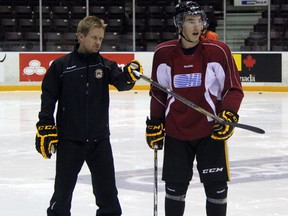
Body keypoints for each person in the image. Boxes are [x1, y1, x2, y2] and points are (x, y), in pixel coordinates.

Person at [35, 16, 143, 216]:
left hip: (99, 141)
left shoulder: (105, 65)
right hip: (69, 141)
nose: (98, 42)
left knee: (108, 197)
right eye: (93, 37)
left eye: (101, 38)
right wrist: (45, 125)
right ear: (80, 36)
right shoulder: (61, 66)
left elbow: (122, 83)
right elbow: (48, 98)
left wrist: (129, 76)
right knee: (62, 196)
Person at [145, 2, 244, 216]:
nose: (197, 26)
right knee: (174, 190)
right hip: (176, 134)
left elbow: (233, 88)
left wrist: (229, 114)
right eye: (191, 21)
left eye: (199, 20)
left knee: (216, 189)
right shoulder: (163, 53)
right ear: (180, 24)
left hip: (210, 134)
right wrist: (155, 123)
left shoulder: (218, 51)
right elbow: (159, 93)